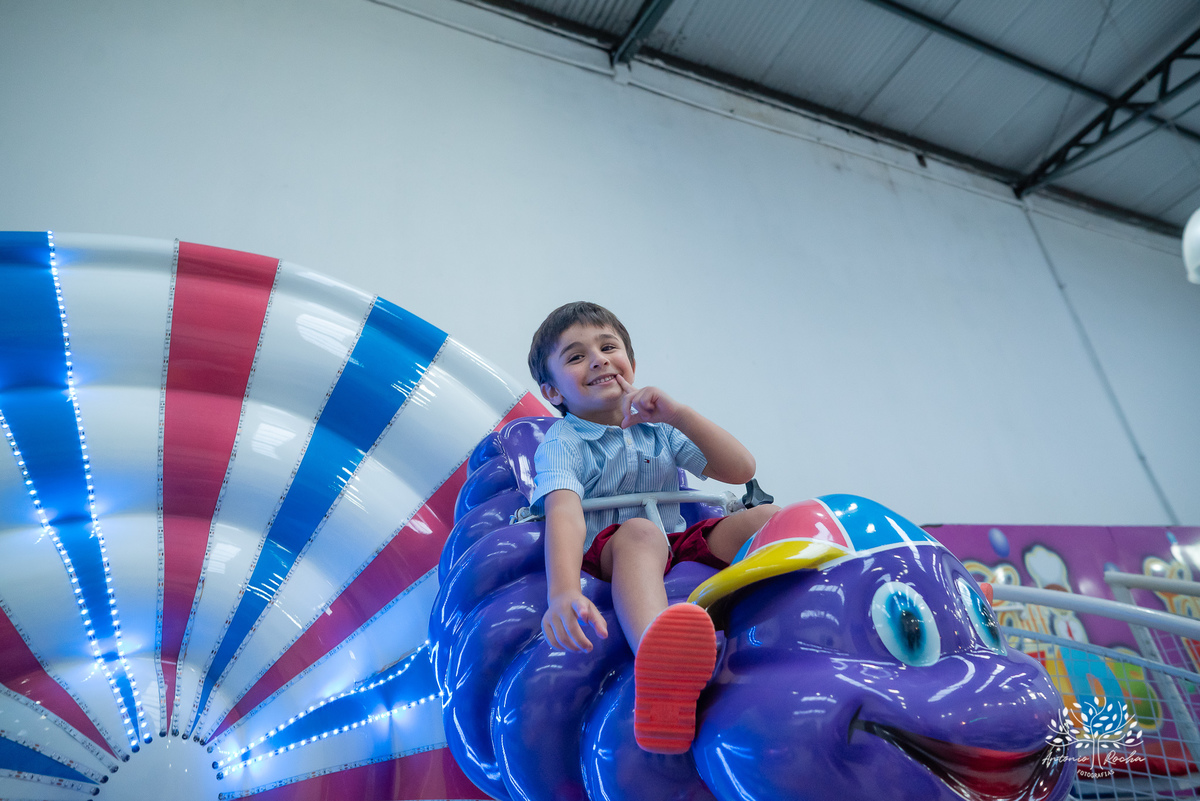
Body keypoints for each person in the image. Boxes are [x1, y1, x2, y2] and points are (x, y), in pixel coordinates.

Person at [526, 301, 779, 754]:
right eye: (577, 356)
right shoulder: (561, 443)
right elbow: (564, 512)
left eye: (608, 347)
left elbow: (740, 470)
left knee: (764, 518)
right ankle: (658, 656)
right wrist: (562, 591)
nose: (600, 359)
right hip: (609, 548)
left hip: (671, 543)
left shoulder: (658, 429)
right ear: (553, 393)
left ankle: (782, 627)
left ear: (632, 364)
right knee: (642, 531)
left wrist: (678, 414)